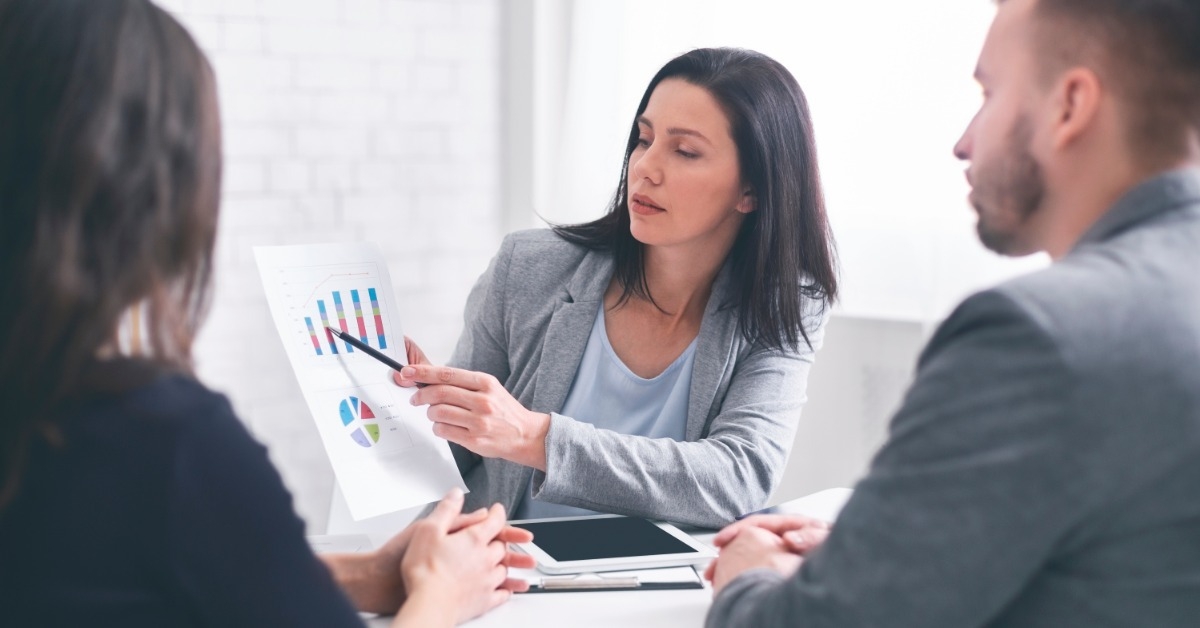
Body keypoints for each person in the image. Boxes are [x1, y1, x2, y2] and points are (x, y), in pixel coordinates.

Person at [0, 1, 533, 626]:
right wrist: (440, 600)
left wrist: (358, 575)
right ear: (159, 193)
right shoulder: (172, 444)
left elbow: (97, 574)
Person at [704, 0, 1200, 625]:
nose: (963, 143)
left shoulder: (1038, 336)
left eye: (988, 94)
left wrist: (748, 573)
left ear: (1069, 106)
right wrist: (903, 554)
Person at [393, 47, 839, 528]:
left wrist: (534, 437)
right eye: (643, 139)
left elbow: (737, 478)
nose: (645, 167)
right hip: (509, 575)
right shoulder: (527, 269)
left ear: (751, 189)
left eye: (685, 151)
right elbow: (451, 461)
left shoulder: (786, 304)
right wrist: (410, 409)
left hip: (664, 586)